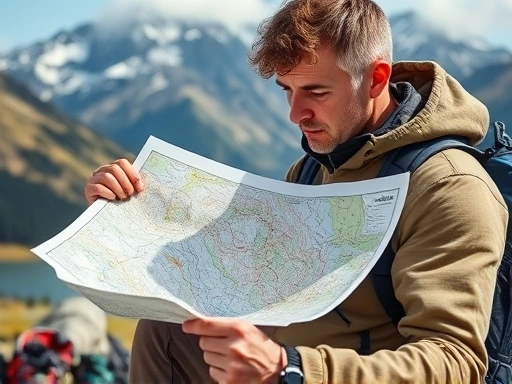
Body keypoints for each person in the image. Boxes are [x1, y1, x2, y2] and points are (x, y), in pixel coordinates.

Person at [84, 0, 508, 383]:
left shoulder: (449, 186)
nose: (295, 114)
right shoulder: (311, 169)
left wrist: (289, 369)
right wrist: (127, 208)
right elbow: (239, 276)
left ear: (376, 79)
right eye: (287, 90)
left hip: (313, 374)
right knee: (167, 330)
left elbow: (455, 363)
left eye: (316, 91)